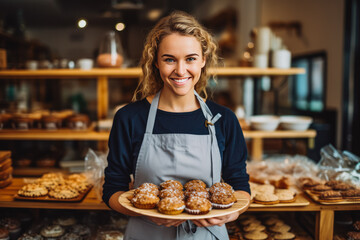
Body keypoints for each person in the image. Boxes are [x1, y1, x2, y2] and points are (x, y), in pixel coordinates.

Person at [103, 10, 251, 240]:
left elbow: (240, 186)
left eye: (190, 58)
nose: (180, 71)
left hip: (207, 234)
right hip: (147, 233)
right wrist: (147, 212)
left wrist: (228, 216)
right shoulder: (129, 118)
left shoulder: (224, 120)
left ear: (203, 60)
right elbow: (112, 191)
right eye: (169, 59)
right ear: (156, 62)